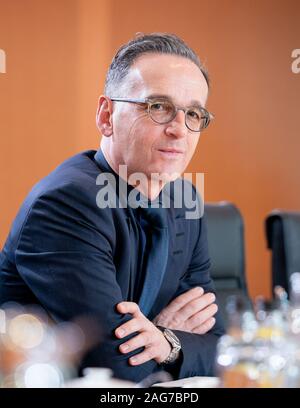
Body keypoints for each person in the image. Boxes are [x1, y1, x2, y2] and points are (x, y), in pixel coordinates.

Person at [0, 33, 224, 383]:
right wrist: (164, 334)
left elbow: (221, 346)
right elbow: (114, 364)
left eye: (193, 113)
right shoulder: (66, 204)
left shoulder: (185, 200)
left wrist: (165, 342)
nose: (179, 130)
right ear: (107, 116)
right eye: (158, 107)